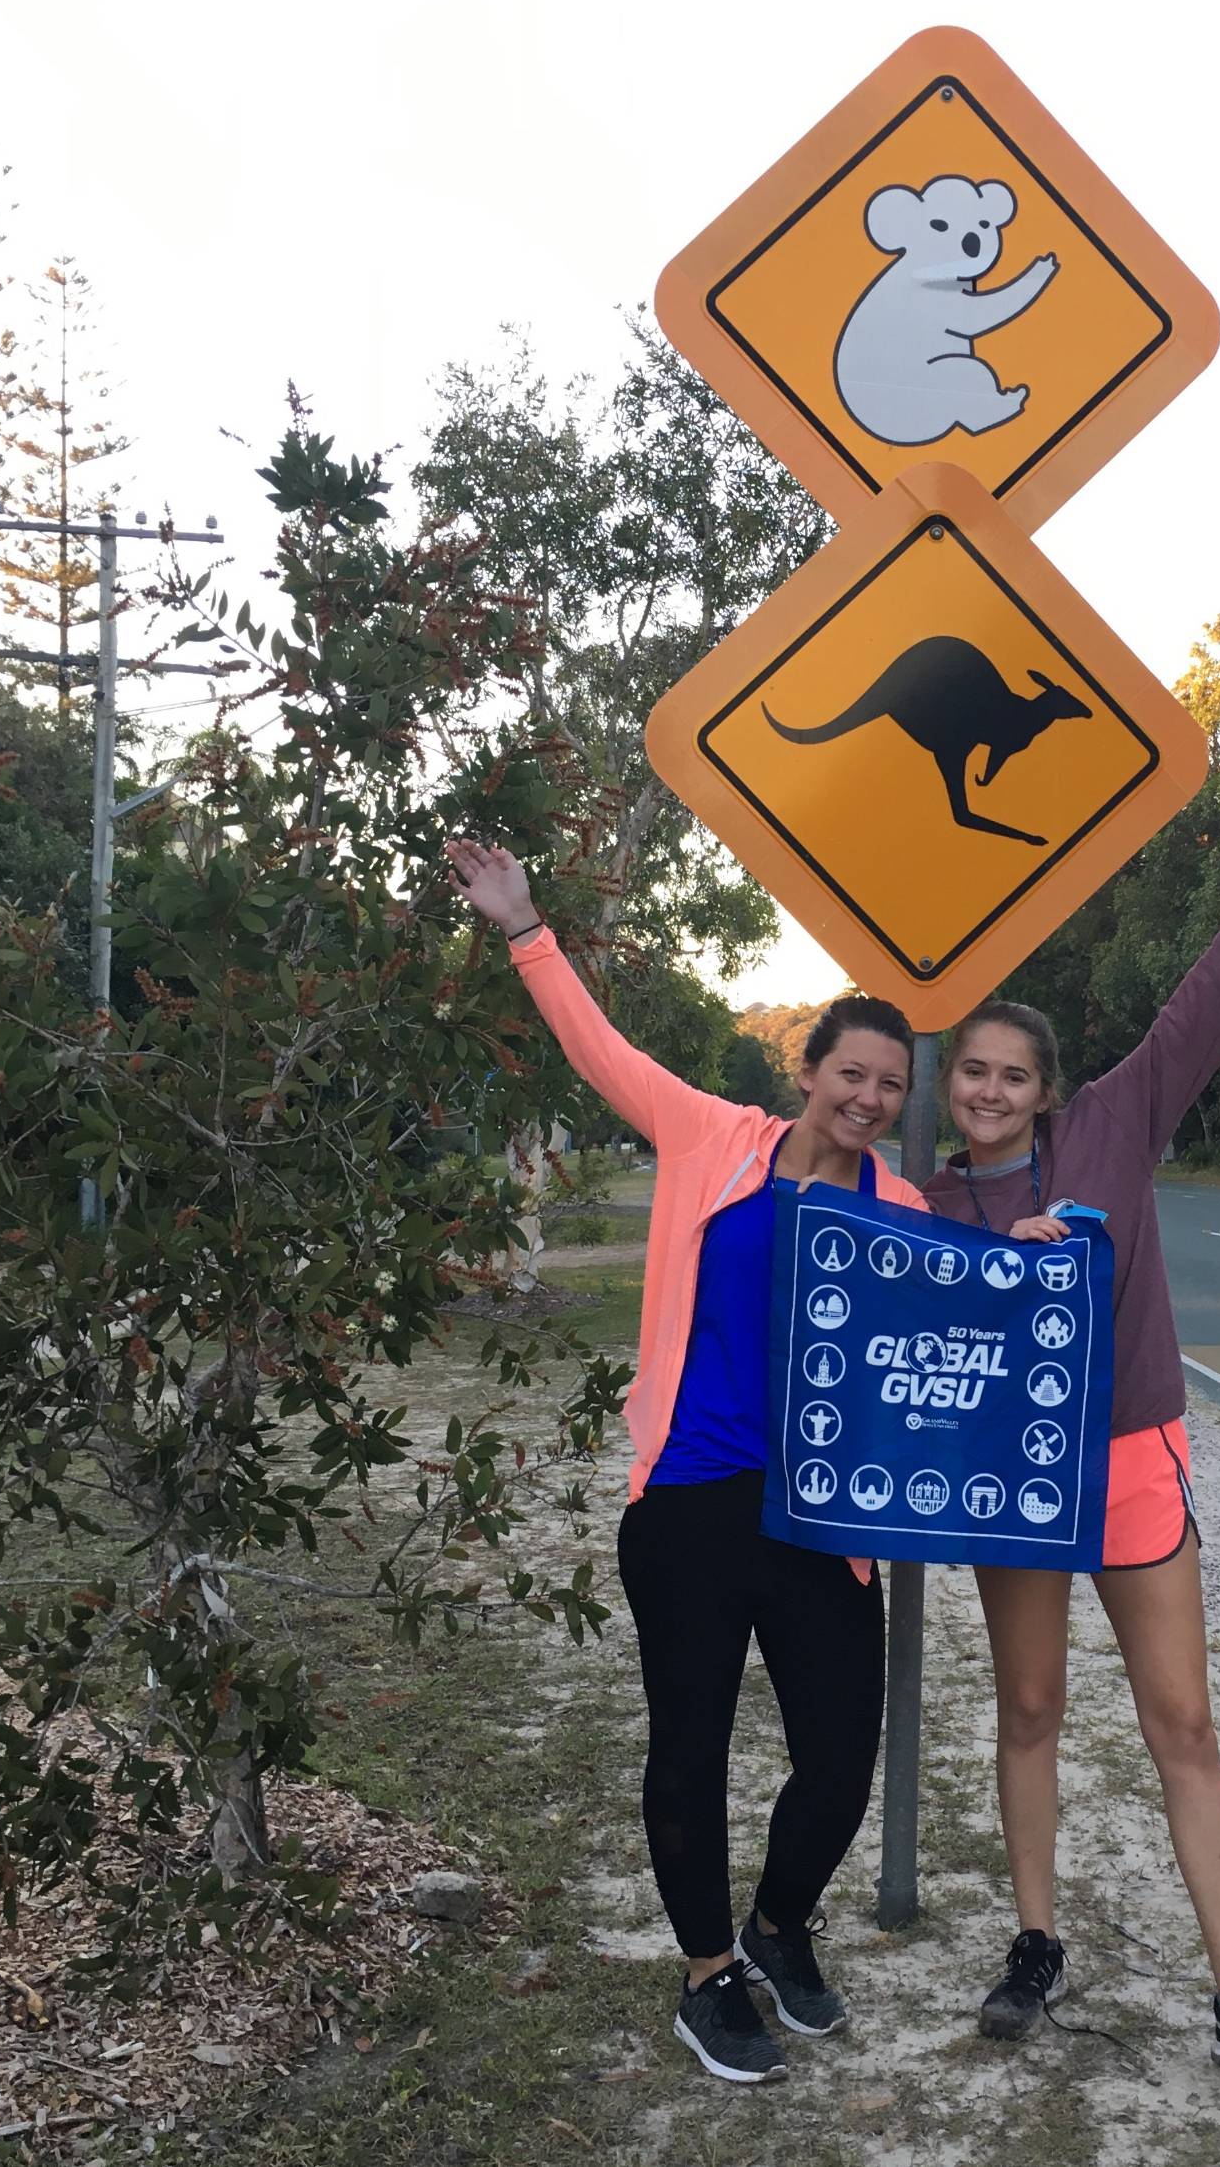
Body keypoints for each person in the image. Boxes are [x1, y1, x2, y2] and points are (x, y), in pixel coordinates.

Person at [445, 840, 926, 2087]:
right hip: (693, 1501)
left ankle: (777, 1926)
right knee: (690, 1748)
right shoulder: (713, 1138)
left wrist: (1041, 1248)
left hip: (824, 1519)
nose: (866, 1098)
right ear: (809, 1071)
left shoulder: (904, 1209)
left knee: (837, 1760)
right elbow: (602, 1053)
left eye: (888, 1085)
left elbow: (960, 1334)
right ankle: (708, 1976)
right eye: (850, 1074)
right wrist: (525, 928)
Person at [921, 807, 1220, 2071]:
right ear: (950, 1086)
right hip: (1012, 1483)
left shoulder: (1108, 1129)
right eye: (972, 1072)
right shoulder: (930, 1202)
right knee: (1030, 1711)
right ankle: (1034, 1947)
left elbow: (1197, 1016)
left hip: (1127, 1459)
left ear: (1045, 1091)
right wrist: (995, 1261)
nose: (989, 1091)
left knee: (1181, 1726)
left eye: (1012, 1075)